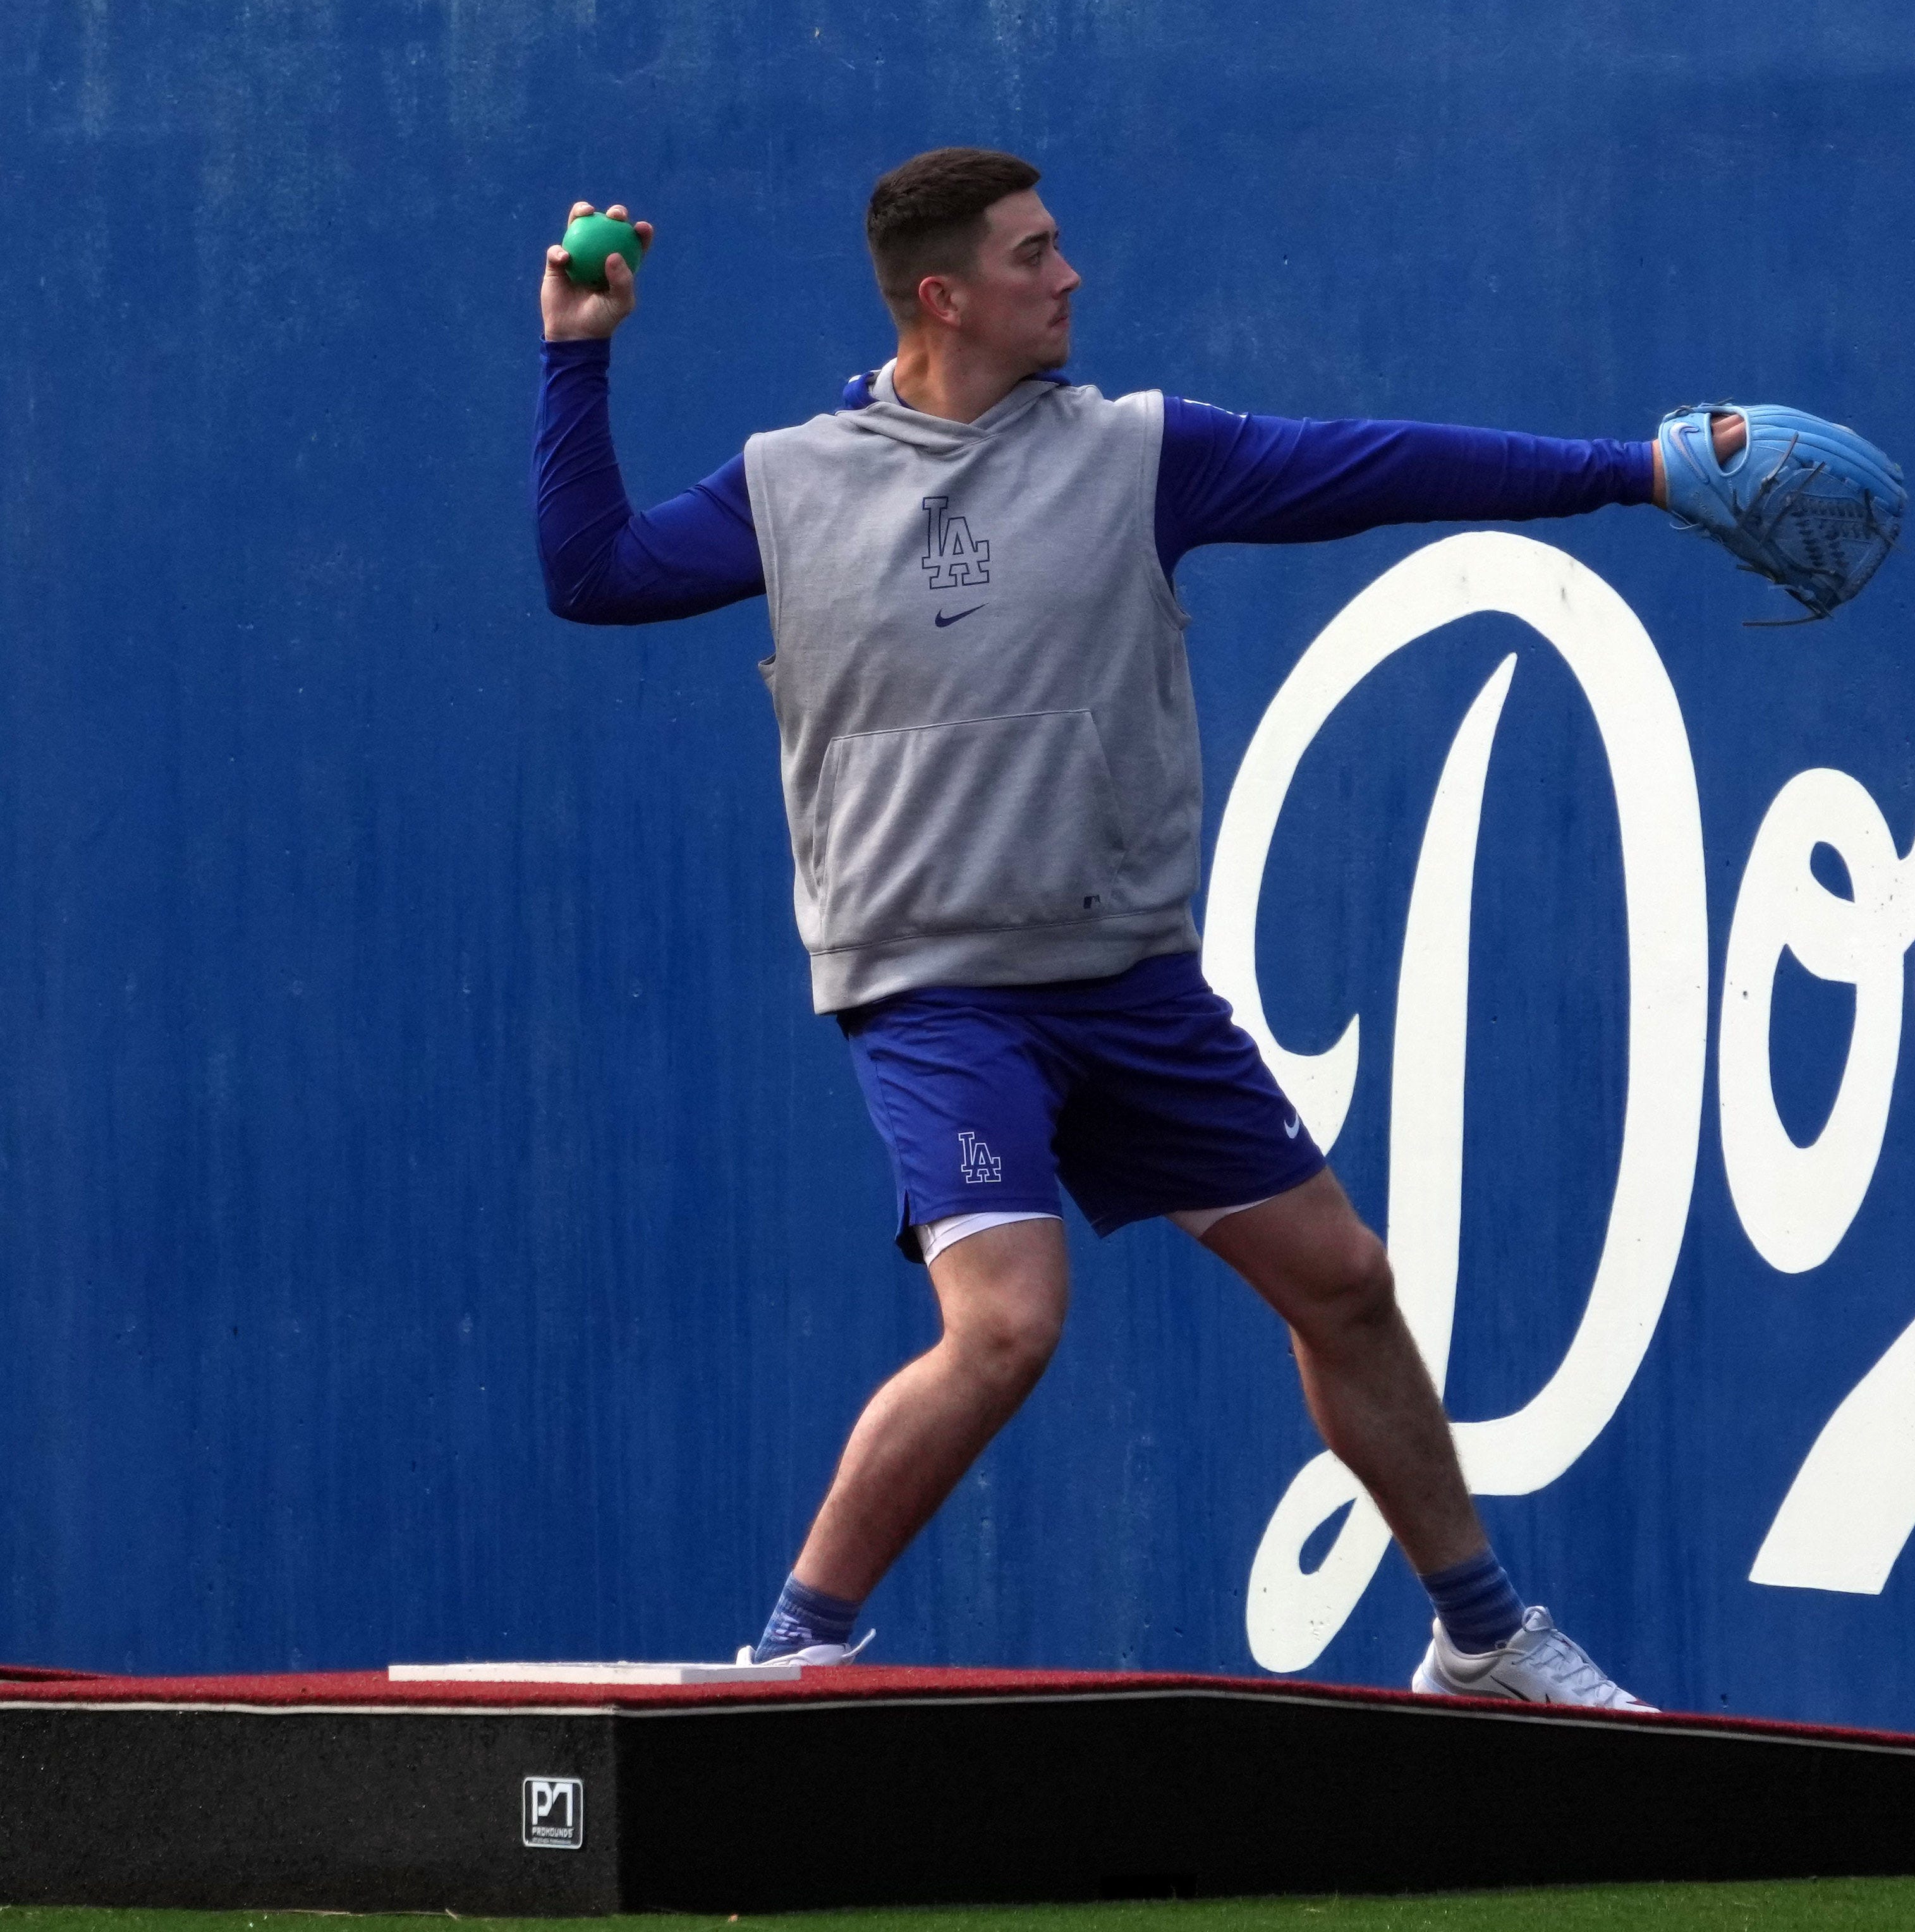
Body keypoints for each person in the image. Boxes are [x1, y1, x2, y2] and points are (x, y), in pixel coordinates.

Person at [530, 147, 1758, 1708]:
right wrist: (579, 350)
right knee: (1005, 1327)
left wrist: (1633, 470)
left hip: (1125, 982)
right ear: (945, 295)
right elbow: (594, 573)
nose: (1071, 276)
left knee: (1345, 1282)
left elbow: (1384, 465)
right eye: (1035, 254)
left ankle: (1482, 1637)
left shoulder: (1136, 453)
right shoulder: (795, 480)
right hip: (939, 991)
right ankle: (798, 1644)